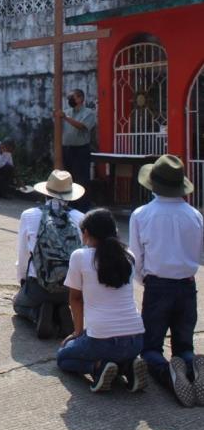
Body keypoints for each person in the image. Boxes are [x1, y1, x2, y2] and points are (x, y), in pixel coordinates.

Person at [129, 155, 204, 407]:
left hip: (158, 285)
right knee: (184, 345)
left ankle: (168, 375)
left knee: (150, 348)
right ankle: (192, 370)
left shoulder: (142, 214)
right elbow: (197, 252)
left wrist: (143, 280)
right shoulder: (195, 215)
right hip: (186, 284)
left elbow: (135, 257)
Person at [57, 209, 147, 393]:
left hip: (101, 340)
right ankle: (127, 366)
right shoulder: (128, 256)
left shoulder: (80, 256)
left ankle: (98, 368)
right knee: (114, 351)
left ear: (87, 233)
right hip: (136, 340)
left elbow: (75, 299)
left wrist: (77, 332)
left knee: (63, 357)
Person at [13, 170, 85, 339]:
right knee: (61, 300)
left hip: (39, 286)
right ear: (70, 195)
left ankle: (38, 314)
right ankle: (61, 311)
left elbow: (23, 255)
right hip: (69, 290)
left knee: (18, 304)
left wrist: (23, 280)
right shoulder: (82, 218)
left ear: (45, 192)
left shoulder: (29, 215)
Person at [58, 88, 95, 211]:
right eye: (69, 98)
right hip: (67, 149)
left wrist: (65, 118)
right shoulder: (67, 112)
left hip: (81, 150)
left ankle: (83, 207)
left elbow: (81, 126)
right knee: (68, 177)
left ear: (81, 99)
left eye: (73, 98)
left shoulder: (88, 113)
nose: (70, 100)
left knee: (82, 179)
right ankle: (70, 204)